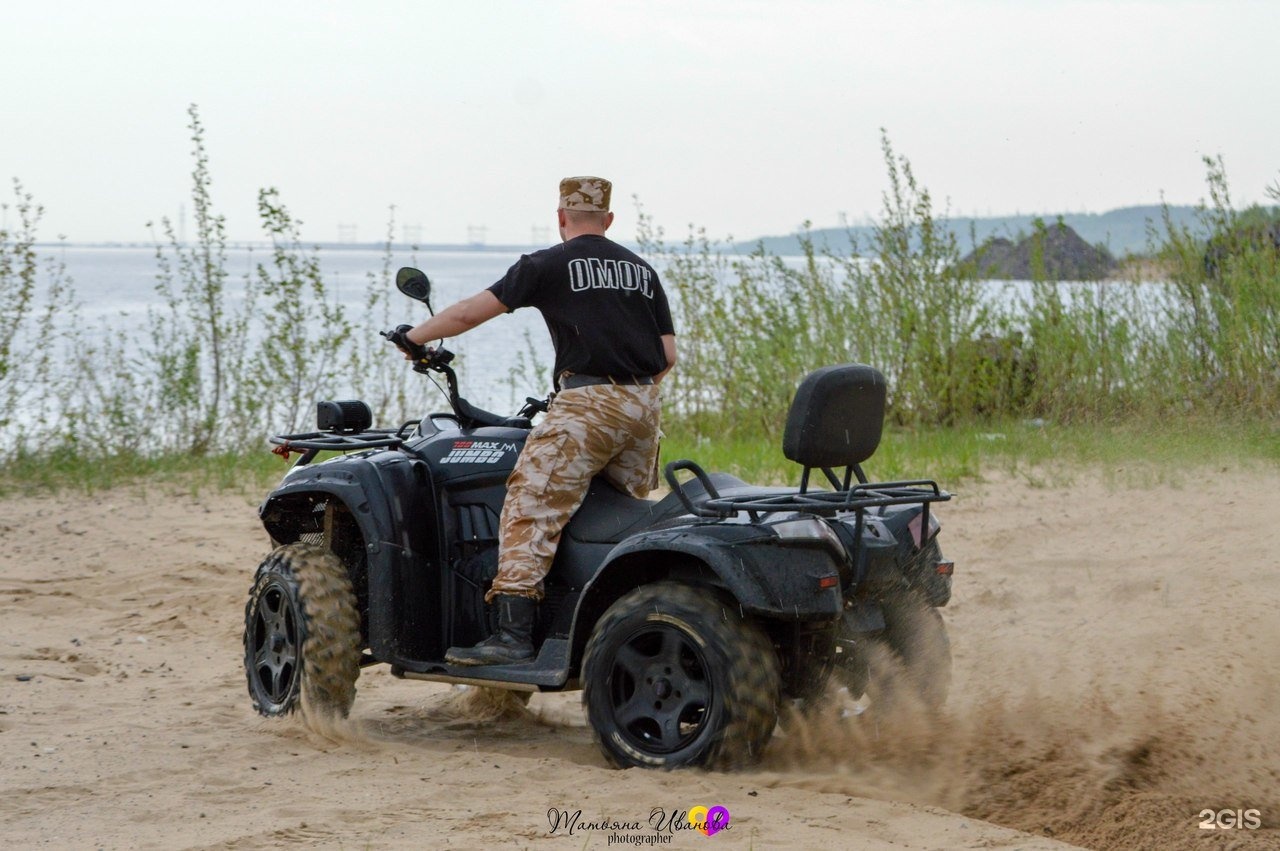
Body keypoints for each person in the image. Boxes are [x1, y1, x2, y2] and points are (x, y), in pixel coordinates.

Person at [394, 176, 677, 666]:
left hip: (588, 402)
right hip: (644, 406)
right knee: (612, 517)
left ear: (561, 218)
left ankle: (513, 633)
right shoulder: (641, 270)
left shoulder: (547, 263)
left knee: (530, 502)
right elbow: (667, 355)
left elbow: (466, 315)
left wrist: (413, 338)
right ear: (608, 221)